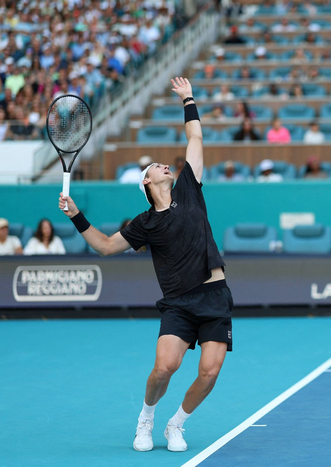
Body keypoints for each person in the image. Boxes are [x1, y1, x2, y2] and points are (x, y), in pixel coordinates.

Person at [59, 77, 233, 453]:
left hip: (215, 295)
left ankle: (176, 424)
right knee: (164, 368)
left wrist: (188, 99)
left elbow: (196, 139)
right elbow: (105, 247)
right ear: (147, 183)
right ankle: (146, 418)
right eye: (156, 166)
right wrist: (76, 215)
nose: (164, 166)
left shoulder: (190, 190)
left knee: (210, 372)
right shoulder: (145, 223)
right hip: (179, 303)